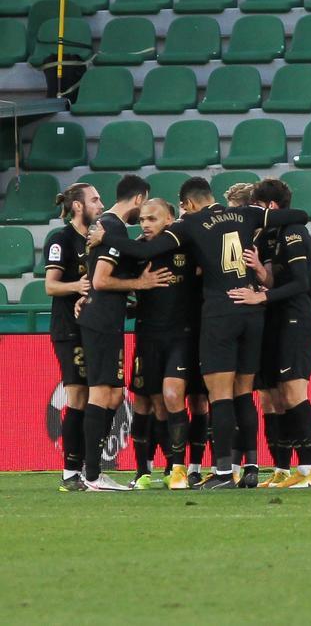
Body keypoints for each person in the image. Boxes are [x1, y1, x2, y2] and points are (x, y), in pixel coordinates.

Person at [89, 177, 308, 489]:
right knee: (244, 393)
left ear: (188, 204)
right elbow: (299, 216)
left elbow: (145, 251)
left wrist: (105, 238)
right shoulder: (246, 214)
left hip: (220, 312)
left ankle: (222, 474)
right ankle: (251, 469)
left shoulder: (190, 224)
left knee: (220, 396)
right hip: (251, 309)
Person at [228, 178, 311, 488]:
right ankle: (300, 470)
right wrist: (262, 274)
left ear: (270, 206)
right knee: (279, 398)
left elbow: (301, 283)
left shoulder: (293, 233)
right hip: (278, 320)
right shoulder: (271, 237)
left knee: (294, 394)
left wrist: (261, 296)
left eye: (256, 208)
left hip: (297, 320)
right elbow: (278, 280)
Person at [77, 175, 171, 491]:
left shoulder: (107, 228)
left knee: (114, 394)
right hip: (102, 320)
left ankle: (91, 471)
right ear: (138, 197)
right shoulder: (113, 227)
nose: (142, 215)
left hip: (106, 318)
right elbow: (102, 280)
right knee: (102, 393)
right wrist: (141, 284)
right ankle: (91, 474)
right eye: (142, 207)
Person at [127, 198, 198, 490]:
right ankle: (142, 471)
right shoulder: (136, 252)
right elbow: (113, 283)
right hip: (147, 335)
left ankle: (176, 468)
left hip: (180, 335)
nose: (145, 224)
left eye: (153, 218)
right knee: (146, 402)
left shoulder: (185, 246)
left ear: (169, 219)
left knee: (171, 397)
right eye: (142, 219)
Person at [46, 183, 102, 492]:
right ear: (77, 206)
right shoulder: (62, 239)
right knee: (78, 396)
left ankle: (82, 468)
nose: (100, 204)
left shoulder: (92, 240)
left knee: (94, 396)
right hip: (68, 329)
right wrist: (77, 287)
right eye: (94, 199)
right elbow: (51, 286)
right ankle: (70, 472)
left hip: (91, 327)